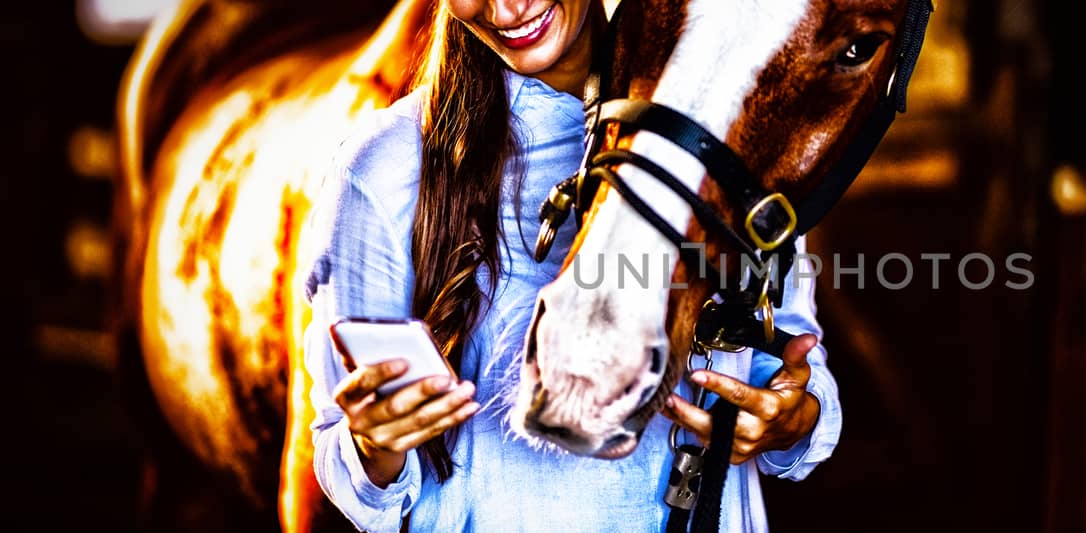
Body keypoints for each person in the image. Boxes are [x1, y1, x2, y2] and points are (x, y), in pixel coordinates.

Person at [297, 0, 841, 531]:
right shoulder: (383, 169)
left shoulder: (731, 130)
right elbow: (344, 462)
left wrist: (793, 418)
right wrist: (374, 443)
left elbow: (790, 355)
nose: (506, 10)